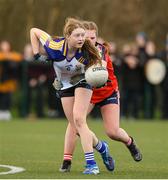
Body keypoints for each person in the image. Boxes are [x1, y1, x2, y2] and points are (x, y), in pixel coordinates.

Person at [30, 17, 114, 175]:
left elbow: (100, 66)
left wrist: (100, 77)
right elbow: (33, 31)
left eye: (83, 35)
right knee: (76, 127)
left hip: (83, 82)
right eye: (77, 35)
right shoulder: (54, 45)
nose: (82, 38)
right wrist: (36, 55)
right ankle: (102, 147)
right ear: (67, 36)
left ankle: (91, 164)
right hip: (65, 85)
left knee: (79, 119)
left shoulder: (88, 50)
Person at [59, 20, 143, 172]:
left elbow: (101, 71)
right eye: (86, 37)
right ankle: (67, 160)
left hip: (107, 91)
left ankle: (130, 143)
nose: (89, 41)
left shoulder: (100, 49)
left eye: (92, 38)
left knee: (113, 132)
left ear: (96, 38)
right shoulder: (75, 50)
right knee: (75, 124)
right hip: (87, 92)